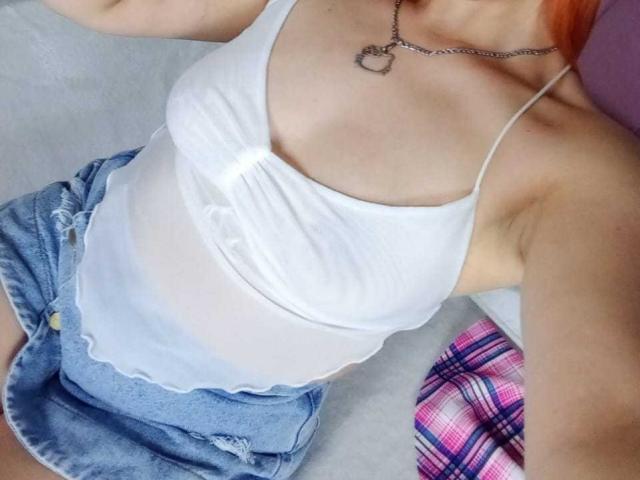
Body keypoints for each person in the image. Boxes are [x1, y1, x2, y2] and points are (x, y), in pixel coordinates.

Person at [2, 0, 639, 478]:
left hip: (176, 430)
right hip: (52, 249)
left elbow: (604, 428)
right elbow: (111, 4)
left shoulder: (580, 171)